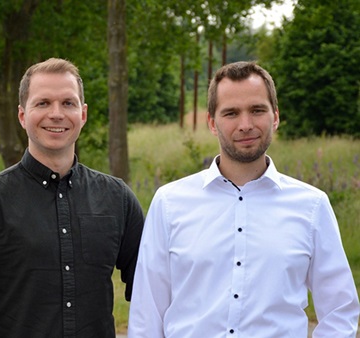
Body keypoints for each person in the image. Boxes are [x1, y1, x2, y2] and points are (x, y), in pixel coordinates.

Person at [127, 61, 360, 337]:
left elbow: (340, 310)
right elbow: (147, 315)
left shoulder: (312, 206)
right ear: (213, 123)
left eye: (257, 110)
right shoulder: (169, 203)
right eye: (231, 113)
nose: (245, 125)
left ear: (275, 116)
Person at [0, 57, 145, 337]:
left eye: (68, 103)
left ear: (83, 114)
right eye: (43, 103)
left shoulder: (118, 199)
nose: (56, 114)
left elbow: (151, 291)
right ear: (22, 115)